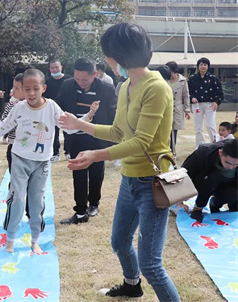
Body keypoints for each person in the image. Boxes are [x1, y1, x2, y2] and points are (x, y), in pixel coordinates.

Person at [59, 22, 180, 300]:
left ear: (119, 55)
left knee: (151, 264)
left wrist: (95, 155)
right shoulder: (126, 85)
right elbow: (117, 132)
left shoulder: (156, 88)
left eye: (108, 55)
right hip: (130, 181)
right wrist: (80, 123)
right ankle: (131, 285)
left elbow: (141, 143)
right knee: (120, 242)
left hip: (153, 184)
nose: (107, 61)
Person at [0, 68, 98, 254]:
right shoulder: (19, 108)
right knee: (17, 200)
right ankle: (10, 240)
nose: (31, 93)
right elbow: (2, 128)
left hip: (42, 163)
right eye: (26, 89)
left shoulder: (52, 107)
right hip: (20, 160)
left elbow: (69, 127)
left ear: (43, 88)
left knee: (37, 202)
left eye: (35, 89)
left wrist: (87, 117)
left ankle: (35, 240)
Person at [56, 57, 117, 224]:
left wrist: (111, 141)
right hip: (75, 137)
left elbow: (112, 114)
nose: (81, 82)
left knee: (96, 172)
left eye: (85, 79)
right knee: (78, 172)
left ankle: (94, 203)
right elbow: (59, 107)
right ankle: (80, 209)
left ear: (95, 74)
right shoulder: (68, 85)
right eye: (77, 78)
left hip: (97, 137)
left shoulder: (106, 88)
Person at [184, 139, 237, 223]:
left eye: (236, 164)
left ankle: (216, 203)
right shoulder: (204, 152)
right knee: (212, 177)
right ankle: (198, 207)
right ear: (220, 153)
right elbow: (184, 173)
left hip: (229, 184)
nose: (231, 167)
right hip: (207, 182)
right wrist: (179, 202)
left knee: (234, 204)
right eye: (228, 163)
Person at [188, 57, 224, 147]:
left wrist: (216, 102)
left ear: (208, 66)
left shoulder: (213, 78)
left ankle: (214, 145)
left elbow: (219, 92)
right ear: (198, 66)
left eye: (205, 64)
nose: (203, 66)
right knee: (198, 126)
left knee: (210, 125)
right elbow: (188, 92)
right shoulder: (192, 79)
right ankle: (200, 146)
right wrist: (192, 98)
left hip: (210, 104)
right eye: (201, 64)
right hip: (197, 105)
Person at [42, 59, 72, 162]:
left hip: (67, 110)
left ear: (61, 67)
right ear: (49, 69)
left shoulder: (69, 80)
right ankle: (55, 153)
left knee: (68, 132)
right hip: (51, 111)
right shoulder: (46, 82)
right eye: (52, 67)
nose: (55, 69)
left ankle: (68, 152)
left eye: (57, 67)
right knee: (53, 133)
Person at [163, 61, 191, 150]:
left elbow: (186, 95)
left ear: (175, 71)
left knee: (174, 130)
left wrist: (187, 110)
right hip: (165, 107)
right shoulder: (164, 79)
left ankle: (172, 150)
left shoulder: (183, 80)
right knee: (165, 129)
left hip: (177, 107)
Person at [1, 73, 24, 171]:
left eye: (17, 88)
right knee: (14, 176)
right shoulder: (12, 102)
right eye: (13, 87)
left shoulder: (35, 105)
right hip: (13, 144)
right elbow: (4, 120)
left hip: (28, 147)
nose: (13, 90)